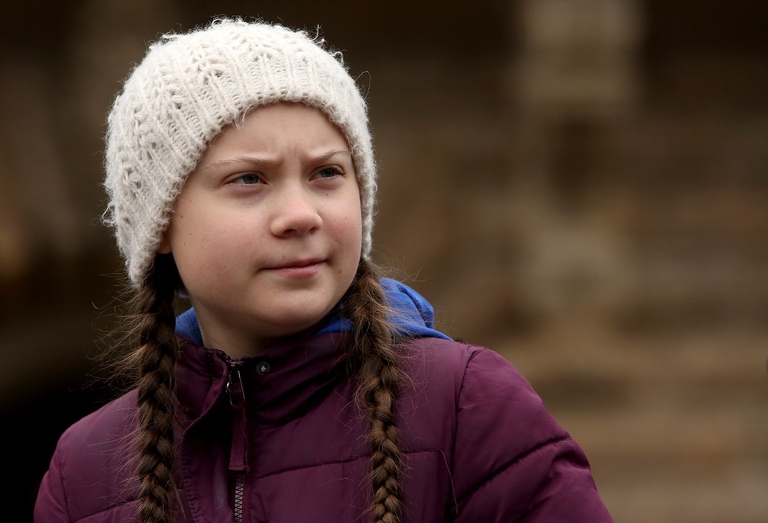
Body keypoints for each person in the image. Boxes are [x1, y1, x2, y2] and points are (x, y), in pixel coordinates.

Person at [34, 18, 614, 523]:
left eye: (326, 174)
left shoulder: (468, 407)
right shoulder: (84, 472)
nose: (300, 214)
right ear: (161, 225)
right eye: (249, 179)